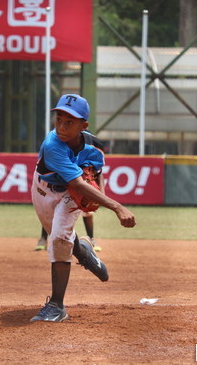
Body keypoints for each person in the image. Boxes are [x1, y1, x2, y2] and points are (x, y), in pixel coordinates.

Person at [30, 94, 136, 322]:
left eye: (70, 122)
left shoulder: (95, 147)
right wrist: (117, 208)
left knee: (59, 239)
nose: (61, 126)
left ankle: (56, 305)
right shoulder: (52, 145)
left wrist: (100, 196)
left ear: (83, 125)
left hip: (70, 195)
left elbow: (95, 176)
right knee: (60, 236)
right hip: (43, 190)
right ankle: (84, 252)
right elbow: (78, 182)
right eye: (59, 119)